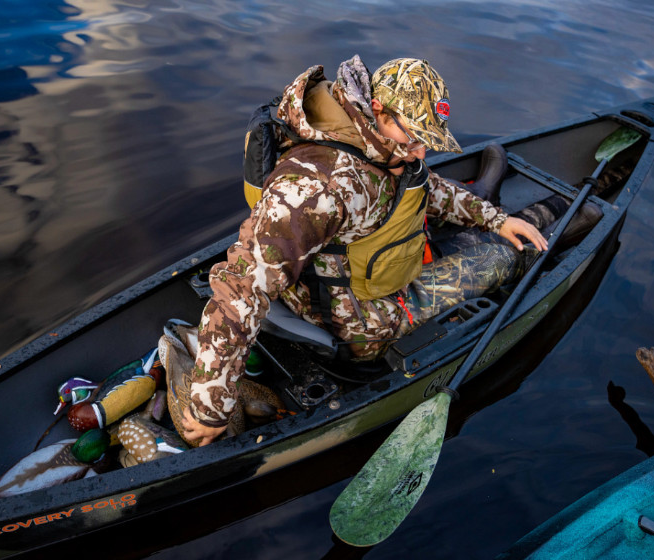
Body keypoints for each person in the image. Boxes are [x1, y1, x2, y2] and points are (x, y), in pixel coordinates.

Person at [179, 56, 548, 446]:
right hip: (356, 321)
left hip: (349, 262)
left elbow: (422, 186)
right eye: (416, 137)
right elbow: (240, 291)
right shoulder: (315, 190)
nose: (422, 151)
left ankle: (487, 199)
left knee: (460, 211)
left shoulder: (370, 138)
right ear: (377, 109)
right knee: (498, 259)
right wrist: (210, 409)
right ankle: (550, 223)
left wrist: (494, 218)